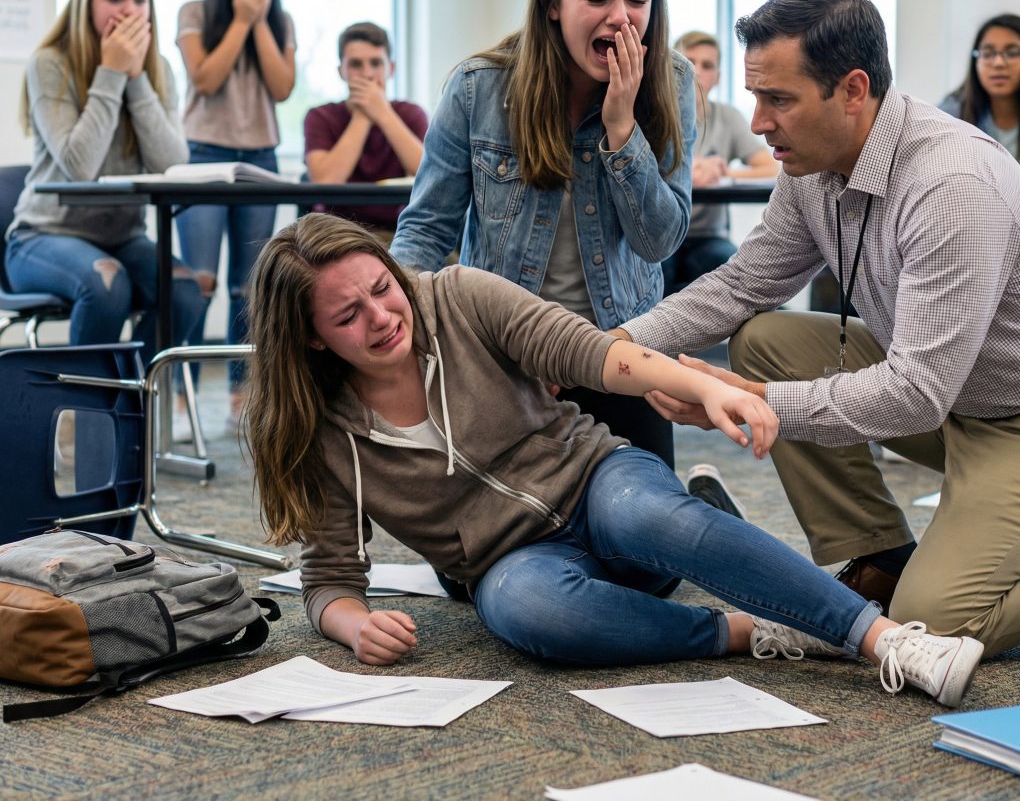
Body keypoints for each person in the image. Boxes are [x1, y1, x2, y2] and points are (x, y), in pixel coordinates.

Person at [243, 212, 983, 708]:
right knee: (524, 612)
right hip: (515, 561)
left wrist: (704, 387)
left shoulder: (457, 297)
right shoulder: (316, 432)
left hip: (598, 482)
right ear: (311, 339)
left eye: (383, 288)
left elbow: (596, 354)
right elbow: (330, 579)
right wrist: (352, 625)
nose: (382, 317)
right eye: (349, 316)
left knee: (648, 512)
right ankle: (749, 628)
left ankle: (881, 639)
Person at [618, 0, 1020, 659]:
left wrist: (751, 403)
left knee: (934, 620)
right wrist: (617, 345)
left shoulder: (952, 186)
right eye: (755, 96)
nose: (757, 122)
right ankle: (879, 554)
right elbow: (745, 283)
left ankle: (927, 578)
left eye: (779, 99)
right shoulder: (810, 167)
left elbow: (916, 392)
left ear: (853, 89)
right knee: (768, 339)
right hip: (950, 400)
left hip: (1005, 416)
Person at [389, 0, 697, 466]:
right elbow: (426, 228)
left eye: (637, 0)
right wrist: (399, 330)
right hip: (506, 355)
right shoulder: (478, 88)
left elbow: (659, 242)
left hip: (621, 351)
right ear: (553, 4)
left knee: (640, 531)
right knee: (505, 540)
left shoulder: (671, 82)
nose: (621, 18)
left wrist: (622, 130)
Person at [5, 0, 203, 364]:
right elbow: (80, 166)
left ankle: (129, 409)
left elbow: (170, 163)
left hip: (123, 239)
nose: (129, 10)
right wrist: (111, 71)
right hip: (41, 238)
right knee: (107, 288)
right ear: (87, 4)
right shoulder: (49, 63)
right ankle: (85, 417)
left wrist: (136, 79)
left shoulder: (158, 69)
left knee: (185, 292)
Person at [175, 0, 296, 423]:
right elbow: (205, 77)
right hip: (203, 154)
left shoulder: (280, 20)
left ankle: (241, 393)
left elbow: (283, 87)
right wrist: (241, 21)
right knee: (200, 279)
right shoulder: (195, 13)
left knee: (248, 284)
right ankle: (179, 390)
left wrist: (260, 22)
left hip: (260, 157)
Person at [661, 31, 778, 293]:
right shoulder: (654, 116)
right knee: (651, 282)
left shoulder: (727, 117)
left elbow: (771, 167)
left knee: (746, 279)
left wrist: (723, 172)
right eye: (689, 62)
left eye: (707, 65)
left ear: (718, 77)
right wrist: (686, 172)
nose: (696, 72)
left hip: (707, 238)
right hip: (661, 238)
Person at [303, 21, 427, 243]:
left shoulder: (411, 114)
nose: (367, 74)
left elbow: (427, 174)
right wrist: (363, 116)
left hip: (400, 234)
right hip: (334, 236)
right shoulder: (320, 117)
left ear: (391, 69)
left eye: (376, 63)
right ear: (341, 71)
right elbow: (326, 181)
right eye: (356, 64)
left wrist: (383, 114)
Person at [939, 13, 1020, 159]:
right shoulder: (950, 115)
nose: (998, 63)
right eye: (988, 54)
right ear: (976, 61)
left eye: (1013, 52)